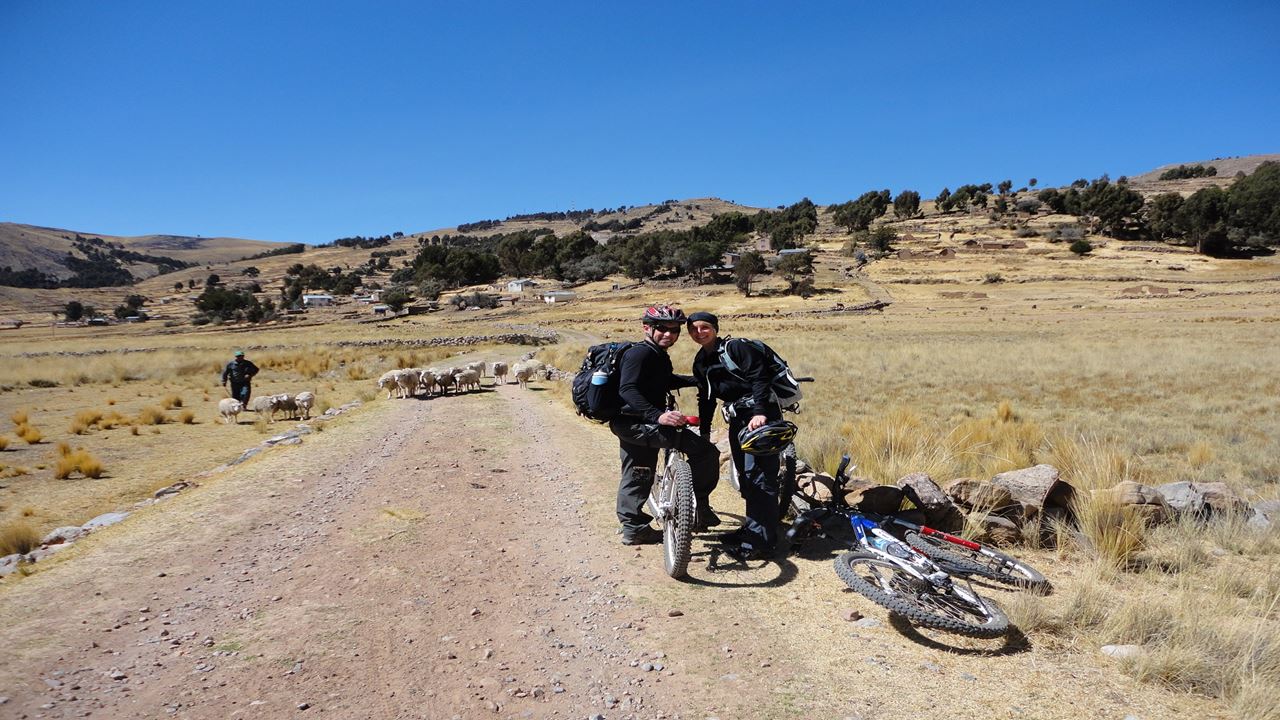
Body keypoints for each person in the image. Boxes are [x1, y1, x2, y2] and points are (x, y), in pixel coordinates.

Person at [610, 305, 722, 545]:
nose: (669, 334)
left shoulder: (656, 354)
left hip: (633, 424)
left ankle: (634, 527)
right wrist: (657, 415)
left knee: (638, 472)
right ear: (647, 328)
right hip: (639, 424)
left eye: (674, 330)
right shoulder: (640, 354)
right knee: (706, 452)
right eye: (662, 328)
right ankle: (700, 506)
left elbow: (661, 381)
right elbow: (628, 389)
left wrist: (697, 380)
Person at [688, 311, 784, 560]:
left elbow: (759, 377)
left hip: (759, 417)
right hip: (738, 419)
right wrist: (706, 430)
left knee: (760, 476)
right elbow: (706, 398)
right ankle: (754, 530)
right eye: (694, 329)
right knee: (745, 476)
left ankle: (761, 543)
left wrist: (760, 412)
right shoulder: (701, 361)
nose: (700, 332)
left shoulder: (736, 348)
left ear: (715, 328)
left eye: (705, 327)